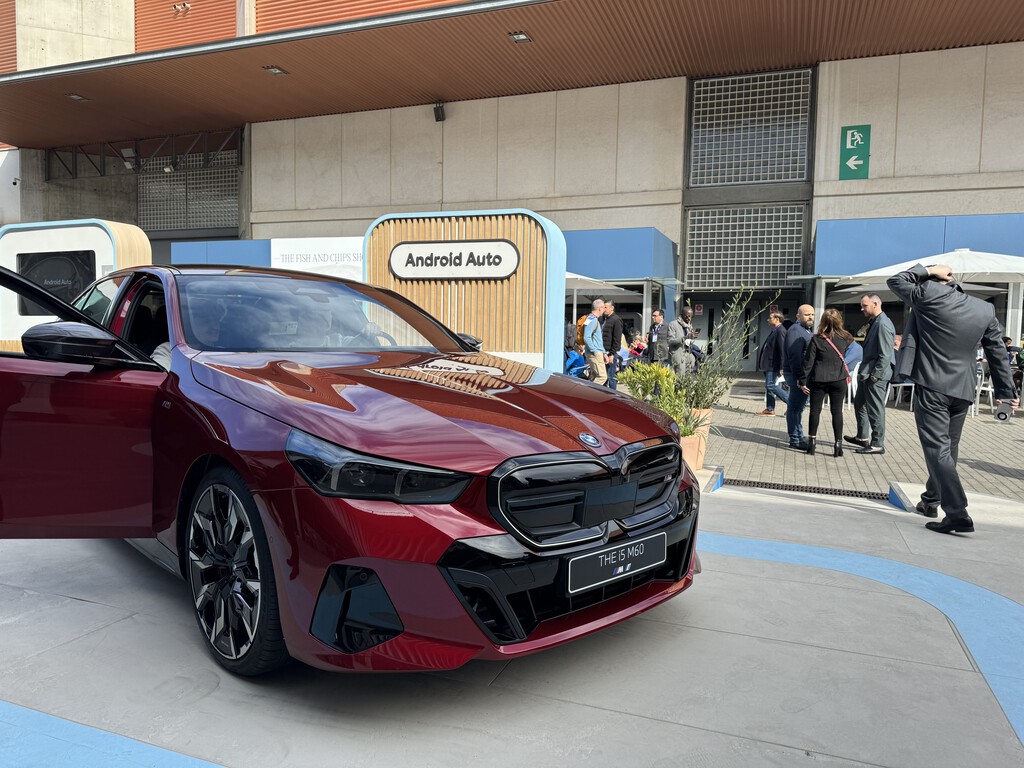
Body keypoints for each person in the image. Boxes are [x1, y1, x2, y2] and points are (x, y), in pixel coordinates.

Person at [887, 263, 1019, 534]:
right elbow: (996, 352)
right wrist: (1006, 393)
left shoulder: (927, 295)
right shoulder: (985, 309)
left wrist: (929, 269)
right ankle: (931, 500)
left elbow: (897, 280)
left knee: (937, 449)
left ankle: (957, 512)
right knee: (948, 448)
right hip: (964, 389)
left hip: (933, 385)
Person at [845, 293, 895, 455]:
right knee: (860, 404)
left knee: (875, 409)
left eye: (865, 305)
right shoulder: (875, 322)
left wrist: (876, 374)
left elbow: (886, 354)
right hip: (867, 374)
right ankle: (862, 437)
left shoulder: (883, 324)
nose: (862, 308)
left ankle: (877, 443)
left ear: (875, 304)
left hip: (874, 375)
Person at [798, 308, 852, 457]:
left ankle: (812, 444)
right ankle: (837, 445)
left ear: (823, 321)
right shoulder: (846, 337)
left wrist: (802, 381)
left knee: (815, 411)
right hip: (839, 379)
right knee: (837, 412)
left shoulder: (817, 339)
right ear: (839, 320)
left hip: (819, 379)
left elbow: (808, 362)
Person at [782, 304, 815, 449]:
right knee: (795, 407)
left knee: (798, 407)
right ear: (798, 316)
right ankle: (795, 439)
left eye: (812, 314)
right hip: (797, 375)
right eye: (807, 314)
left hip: (801, 375)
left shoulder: (806, 330)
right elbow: (795, 357)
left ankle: (798, 436)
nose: (810, 317)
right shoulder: (796, 330)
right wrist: (800, 379)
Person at [755, 311, 788, 415]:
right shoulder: (775, 330)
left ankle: (791, 402)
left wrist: (782, 366)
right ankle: (770, 408)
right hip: (768, 364)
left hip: (773, 364)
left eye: (770, 318)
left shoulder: (781, 331)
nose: (768, 320)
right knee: (768, 386)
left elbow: (783, 349)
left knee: (770, 385)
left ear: (777, 319)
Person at [582, 298, 607, 385]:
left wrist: (604, 353)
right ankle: (589, 395)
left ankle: (587, 394)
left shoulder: (592, 319)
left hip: (596, 352)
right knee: (602, 377)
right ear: (600, 308)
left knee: (594, 376)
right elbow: (586, 337)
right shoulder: (592, 320)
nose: (605, 309)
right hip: (594, 353)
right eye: (604, 307)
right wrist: (595, 351)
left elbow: (597, 339)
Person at [667, 306, 697, 377]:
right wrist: (684, 338)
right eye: (687, 316)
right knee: (680, 378)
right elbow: (670, 341)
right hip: (678, 355)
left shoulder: (689, 325)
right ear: (682, 314)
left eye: (691, 317)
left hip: (688, 354)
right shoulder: (673, 324)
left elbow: (688, 340)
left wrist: (692, 336)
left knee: (688, 377)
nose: (689, 318)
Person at [600, 301, 624, 390]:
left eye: (606, 307)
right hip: (603, 351)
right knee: (604, 376)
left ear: (612, 308)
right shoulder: (605, 319)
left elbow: (617, 338)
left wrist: (612, 354)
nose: (604, 309)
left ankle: (613, 395)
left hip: (610, 352)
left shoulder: (616, 320)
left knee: (611, 376)